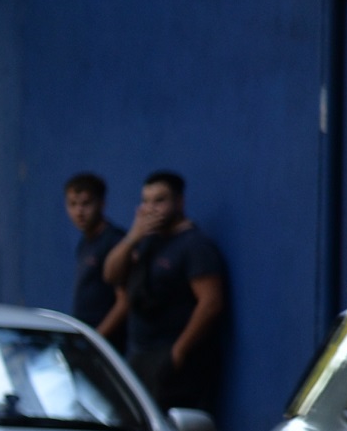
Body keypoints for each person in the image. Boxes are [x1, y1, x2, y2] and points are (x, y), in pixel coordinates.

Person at [102, 168, 229, 414]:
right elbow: (111, 275)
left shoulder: (194, 245)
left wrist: (178, 352)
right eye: (146, 201)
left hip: (171, 360)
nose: (151, 208)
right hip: (139, 354)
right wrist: (133, 237)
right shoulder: (147, 240)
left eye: (160, 200)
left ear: (179, 202)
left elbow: (210, 303)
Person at [64, 173, 126, 340]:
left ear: (101, 204)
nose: (79, 212)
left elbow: (124, 301)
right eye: (73, 204)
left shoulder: (114, 241)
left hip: (108, 343)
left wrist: (97, 338)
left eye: (86, 204)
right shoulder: (85, 242)